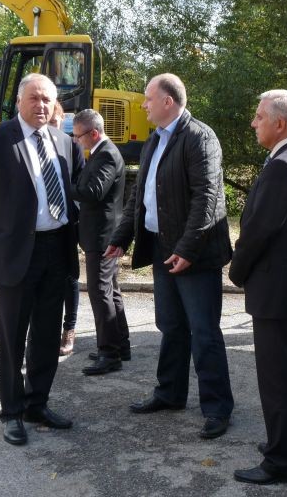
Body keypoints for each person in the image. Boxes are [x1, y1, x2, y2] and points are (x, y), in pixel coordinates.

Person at [105, 72, 234, 439]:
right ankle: (170, 393)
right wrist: (122, 236)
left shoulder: (199, 137)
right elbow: (139, 196)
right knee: (171, 326)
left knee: (204, 332)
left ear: (168, 101)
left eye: (148, 98)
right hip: (163, 248)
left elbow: (207, 198)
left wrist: (187, 249)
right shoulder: (154, 140)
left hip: (194, 254)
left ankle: (217, 408)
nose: (143, 104)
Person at [0, 73, 83, 446]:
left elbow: (72, 196)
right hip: (15, 254)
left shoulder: (64, 142)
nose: (41, 105)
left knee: (47, 336)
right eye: (34, 98)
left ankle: (37, 404)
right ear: (19, 101)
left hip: (56, 250)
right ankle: (12, 412)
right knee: (12, 338)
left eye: (47, 99)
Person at [229, 90, 287, 485]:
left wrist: (236, 271)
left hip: (274, 285)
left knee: (277, 376)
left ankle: (281, 461)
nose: (253, 123)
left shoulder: (283, 165)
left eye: (259, 116)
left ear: (279, 123)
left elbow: (258, 231)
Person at [70, 109, 131, 375]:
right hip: (102, 234)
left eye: (78, 136)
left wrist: (63, 186)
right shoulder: (100, 152)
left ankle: (109, 353)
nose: (76, 141)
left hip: (102, 236)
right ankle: (121, 345)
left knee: (100, 292)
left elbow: (93, 191)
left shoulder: (106, 154)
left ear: (94, 133)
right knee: (111, 290)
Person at [49, 100, 80, 356]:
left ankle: (69, 328)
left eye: (55, 122)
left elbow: (81, 183)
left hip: (67, 224)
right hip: (39, 228)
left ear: (62, 121)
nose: (51, 127)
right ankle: (43, 331)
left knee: (70, 278)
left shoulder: (71, 145)